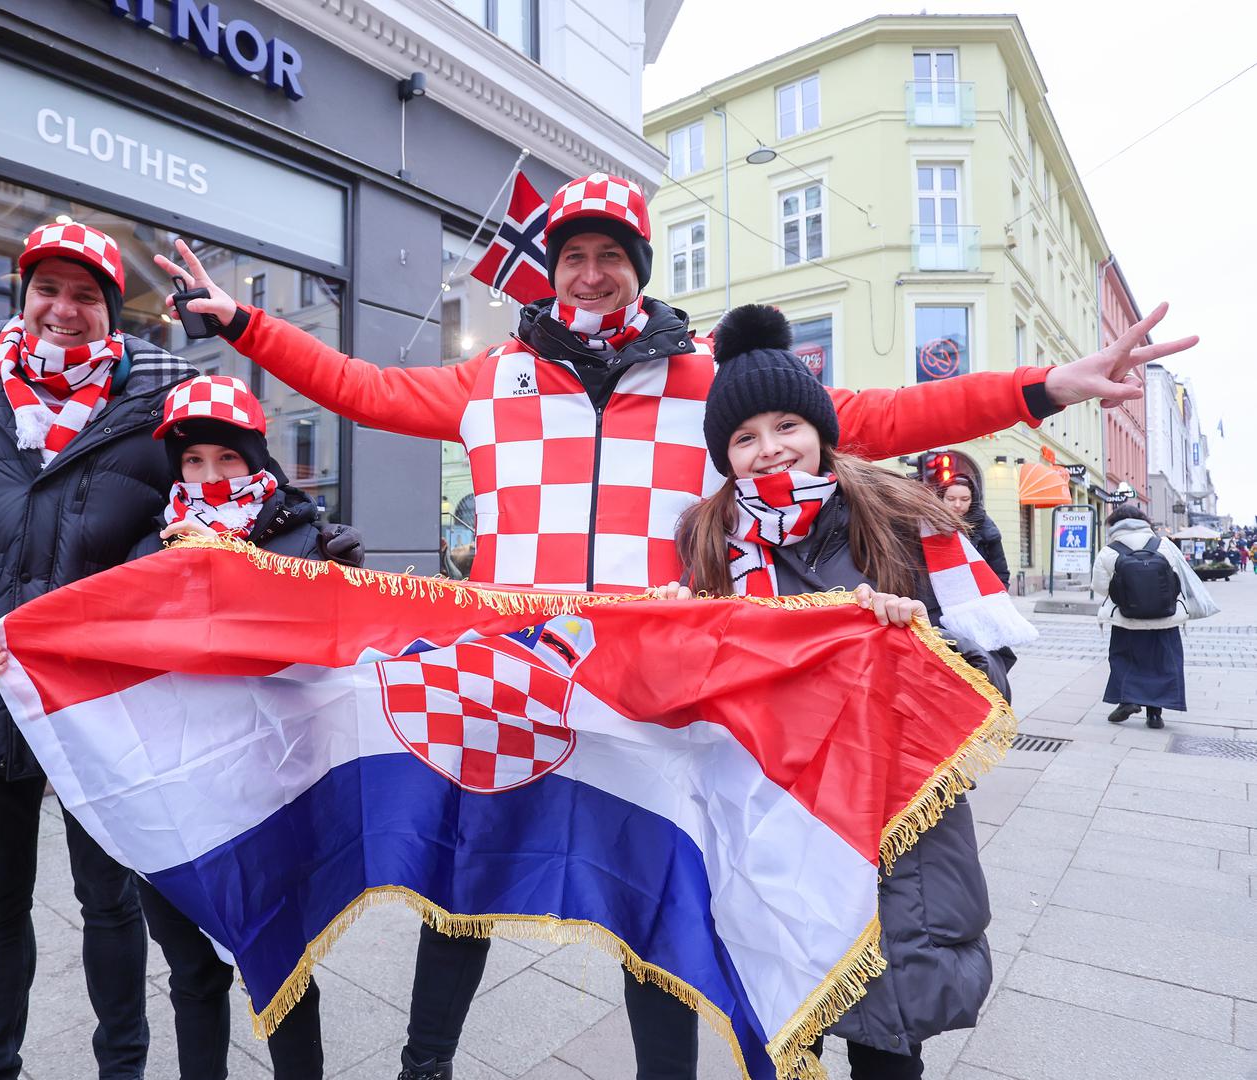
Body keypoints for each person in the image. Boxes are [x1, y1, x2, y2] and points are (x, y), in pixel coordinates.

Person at [155, 170, 1194, 1080]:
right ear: (549, 270)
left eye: (610, 255)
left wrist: (1041, 388)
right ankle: (423, 1066)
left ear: (639, 267)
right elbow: (358, 388)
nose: (590, 274)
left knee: (651, 899)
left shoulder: (708, 379)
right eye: (573, 256)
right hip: (509, 672)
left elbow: (876, 416)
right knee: (457, 881)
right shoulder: (491, 377)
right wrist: (245, 325)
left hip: (650, 685)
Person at [0, 374, 356, 1079]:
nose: (209, 475)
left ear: (256, 458)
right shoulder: (146, 548)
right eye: (193, 461)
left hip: (271, 799)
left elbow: (322, 639)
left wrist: (237, 564)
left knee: (281, 968)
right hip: (175, 801)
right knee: (192, 972)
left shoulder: (310, 539)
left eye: (227, 458)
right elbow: (92, 635)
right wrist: (8, 646)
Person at [662, 304, 1012, 1080]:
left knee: (888, 1045)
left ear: (819, 430)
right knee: (784, 1039)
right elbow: (690, 694)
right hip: (768, 824)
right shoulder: (704, 540)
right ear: (724, 454)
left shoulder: (903, 518)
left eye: (785, 425)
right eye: (743, 437)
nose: (767, 449)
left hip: (893, 831)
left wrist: (918, 642)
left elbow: (989, 684)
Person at [1091, 504, 1217, 729]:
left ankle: (1128, 700)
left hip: (1126, 619)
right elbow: (1179, 579)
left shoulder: (1108, 551)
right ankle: (1155, 715)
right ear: (1144, 522)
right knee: (1162, 663)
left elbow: (1100, 587)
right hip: (1165, 618)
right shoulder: (1164, 545)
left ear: (1114, 525)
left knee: (1125, 660)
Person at [938, 474, 1010, 588]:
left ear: (973, 500)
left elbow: (1000, 573)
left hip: (978, 593)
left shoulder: (987, 529)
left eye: (964, 499)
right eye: (951, 499)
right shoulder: (929, 526)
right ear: (941, 498)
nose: (957, 505)